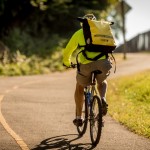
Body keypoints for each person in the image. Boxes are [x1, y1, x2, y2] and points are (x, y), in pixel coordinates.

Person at [63, 14, 113, 126]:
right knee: (102, 82)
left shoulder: (79, 33)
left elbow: (68, 50)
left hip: (86, 65)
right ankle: (103, 99)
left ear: (83, 24)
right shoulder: (102, 32)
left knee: (80, 86)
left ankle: (79, 117)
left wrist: (66, 62)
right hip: (104, 64)